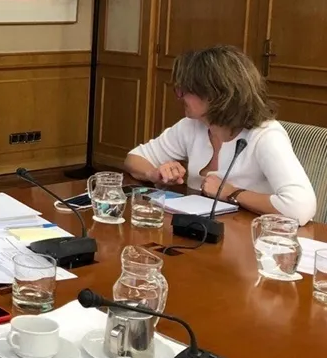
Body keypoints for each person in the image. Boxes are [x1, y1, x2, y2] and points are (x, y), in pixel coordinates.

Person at [124, 45, 317, 224]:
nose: (179, 96)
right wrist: (154, 173)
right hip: (202, 232)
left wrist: (232, 193)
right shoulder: (192, 126)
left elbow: (300, 208)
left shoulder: (265, 136)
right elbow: (134, 158)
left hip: (251, 241)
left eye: (186, 90)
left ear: (216, 95)